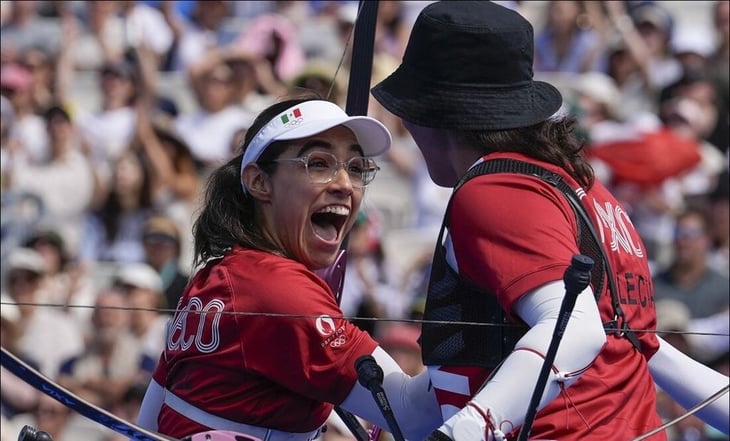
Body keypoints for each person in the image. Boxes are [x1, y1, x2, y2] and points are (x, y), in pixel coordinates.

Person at [370, 2, 730, 440]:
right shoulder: (588, 191)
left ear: (437, 112)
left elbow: (577, 330)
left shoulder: (494, 191)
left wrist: (462, 433)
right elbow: (644, 348)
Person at [135, 94, 441, 440]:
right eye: (319, 163)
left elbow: (151, 416)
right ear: (258, 181)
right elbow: (416, 417)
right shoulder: (279, 289)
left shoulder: (215, 272)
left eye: (356, 168)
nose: (344, 184)